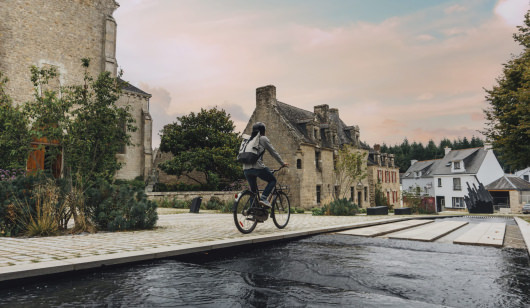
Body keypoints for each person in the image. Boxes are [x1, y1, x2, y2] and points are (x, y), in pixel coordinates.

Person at [242, 122, 288, 208]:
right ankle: (263, 198)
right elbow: (273, 152)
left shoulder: (249, 140)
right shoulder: (263, 138)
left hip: (245, 168)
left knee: (253, 191)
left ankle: (252, 210)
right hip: (257, 167)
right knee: (272, 180)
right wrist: (282, 163)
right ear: (263, 131)